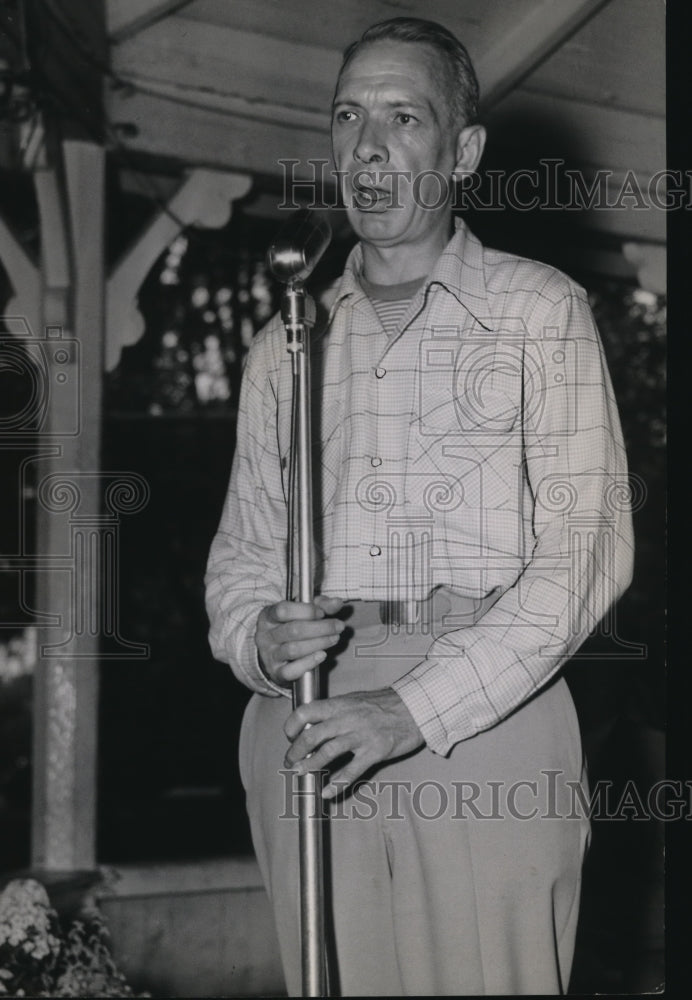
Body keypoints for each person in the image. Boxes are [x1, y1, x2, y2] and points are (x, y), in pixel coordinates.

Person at [205, 16, 634, 997]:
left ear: (462, 151)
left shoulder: (537, 312)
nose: (367, 146)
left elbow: (586, 548)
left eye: (403, 117)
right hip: (305, 712)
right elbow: (240, 552)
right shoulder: (286, 345)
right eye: (347, 114)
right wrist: (256, 638)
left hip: (484, 708)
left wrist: (412, 707)